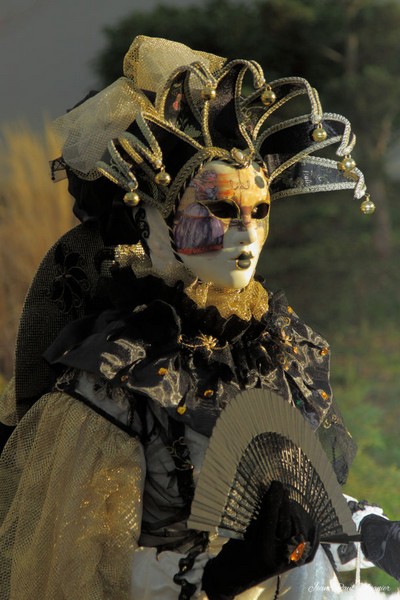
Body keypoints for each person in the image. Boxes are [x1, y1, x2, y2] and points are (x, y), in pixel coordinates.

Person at [0, 36, 396, 600]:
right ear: (160, 220)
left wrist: (373, 535)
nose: (245, 233)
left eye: (259, 211)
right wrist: (218, 580)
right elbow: (73, 570)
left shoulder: (274, 349)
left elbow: (307, 505)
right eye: (219, 209)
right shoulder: (120, 378)